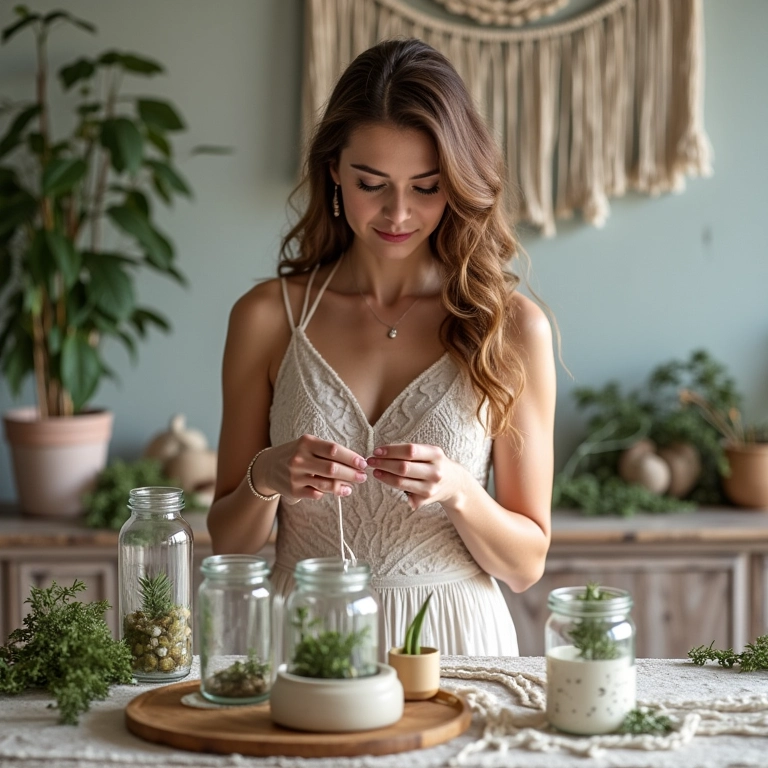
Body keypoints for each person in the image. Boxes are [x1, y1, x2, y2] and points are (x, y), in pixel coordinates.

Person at [207, 38, 556, 656]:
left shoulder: (511, 328)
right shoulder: (266, 316)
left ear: (457, 185)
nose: (398, 212)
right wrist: (266, 476)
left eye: (426, 187)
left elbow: (526, 564)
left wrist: (459, 491)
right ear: (334, 173)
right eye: (373, 183)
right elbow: (229, 545)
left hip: (455, 645)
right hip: (305, 644)